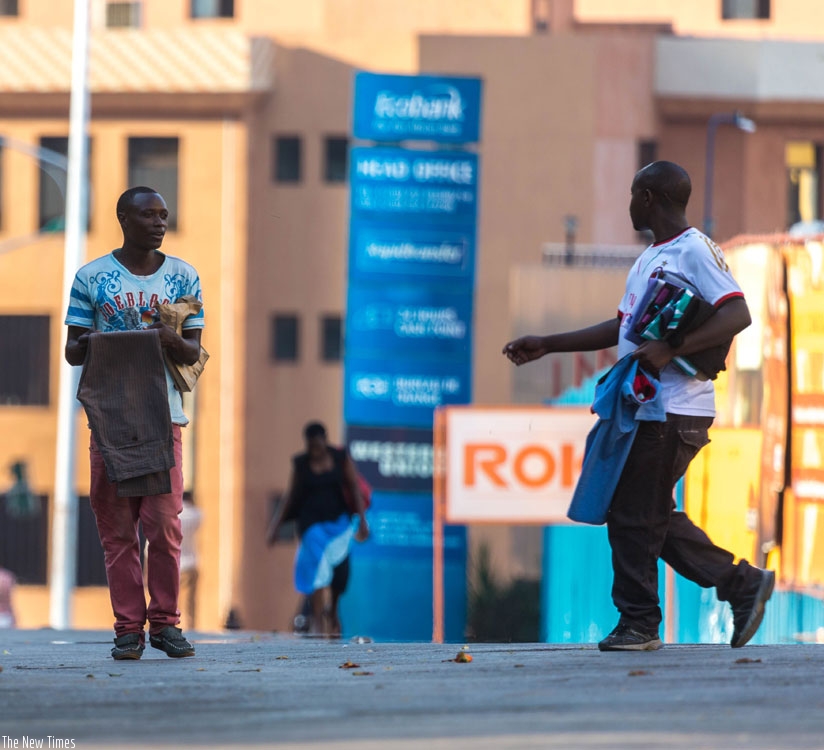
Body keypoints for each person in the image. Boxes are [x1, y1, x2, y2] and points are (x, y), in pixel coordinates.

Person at [503, 161, 774, 651]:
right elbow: (623, 327)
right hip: (649, 408)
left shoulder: (692, 250)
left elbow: (738, 312)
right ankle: (741, 584)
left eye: (632, 194)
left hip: (673, 409)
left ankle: (640, 624)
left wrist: (673, 348)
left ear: (648, 198)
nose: (629, 203)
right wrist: (549, 342)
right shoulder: (652, 256)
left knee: (634, 513)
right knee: (646, 513)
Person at [64, 186, 204, 660]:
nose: (159, 223)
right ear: (124, 218)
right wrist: (112, 340)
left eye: (164, 215)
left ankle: (166, 623)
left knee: (164, 524)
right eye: (148, 215)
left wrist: (165, 337)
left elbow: (194, 354)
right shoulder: (91, 277)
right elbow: (72, 350)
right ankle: (129, 629)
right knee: (117, 530)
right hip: (110, 422)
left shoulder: (185, 278)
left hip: (165, 418)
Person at [266, 422, 369, 637]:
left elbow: (354, 488)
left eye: (318, 446)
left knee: (340, 577)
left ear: (325, 441)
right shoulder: (301, 464)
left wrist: (363, 521)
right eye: (311, 446)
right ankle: (318, 622)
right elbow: (290, 496)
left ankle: (332, 612)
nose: (315, 451)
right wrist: (275, 527)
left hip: (339, 526)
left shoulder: (340, 458)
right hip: (311, 525)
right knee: (315, 571)